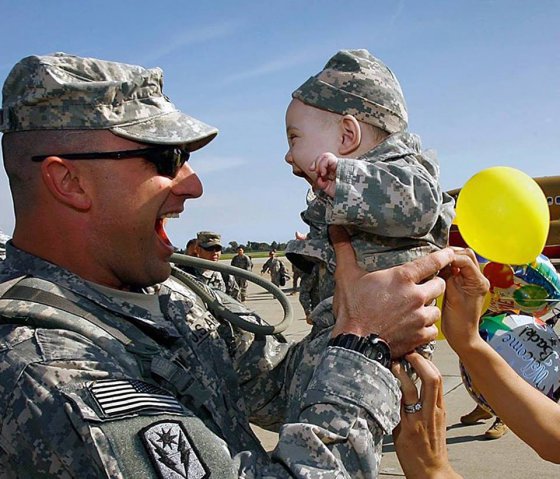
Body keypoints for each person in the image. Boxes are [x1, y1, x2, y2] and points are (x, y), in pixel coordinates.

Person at [0, 52, 453, 478]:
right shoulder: (50, 371)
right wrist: (363, 343)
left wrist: (378, 313)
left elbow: (275, 386)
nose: (193, 185)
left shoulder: (175, 296)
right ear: (69, 181)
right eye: (165, 159)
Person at [283, 49, 454, 363]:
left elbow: (421, 206)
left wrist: (347, 179)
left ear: (348, 136)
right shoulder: (346, 195)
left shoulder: (402, 173)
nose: (289, 156)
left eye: (294, 139)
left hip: (387, 355)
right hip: (352, 341)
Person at [194, 231, 241, 301]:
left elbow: (237, 304)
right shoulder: (186, 274)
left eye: (218, 249)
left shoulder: (226, 276)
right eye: (209, 248)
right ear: (198, 250)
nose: (214, 253)